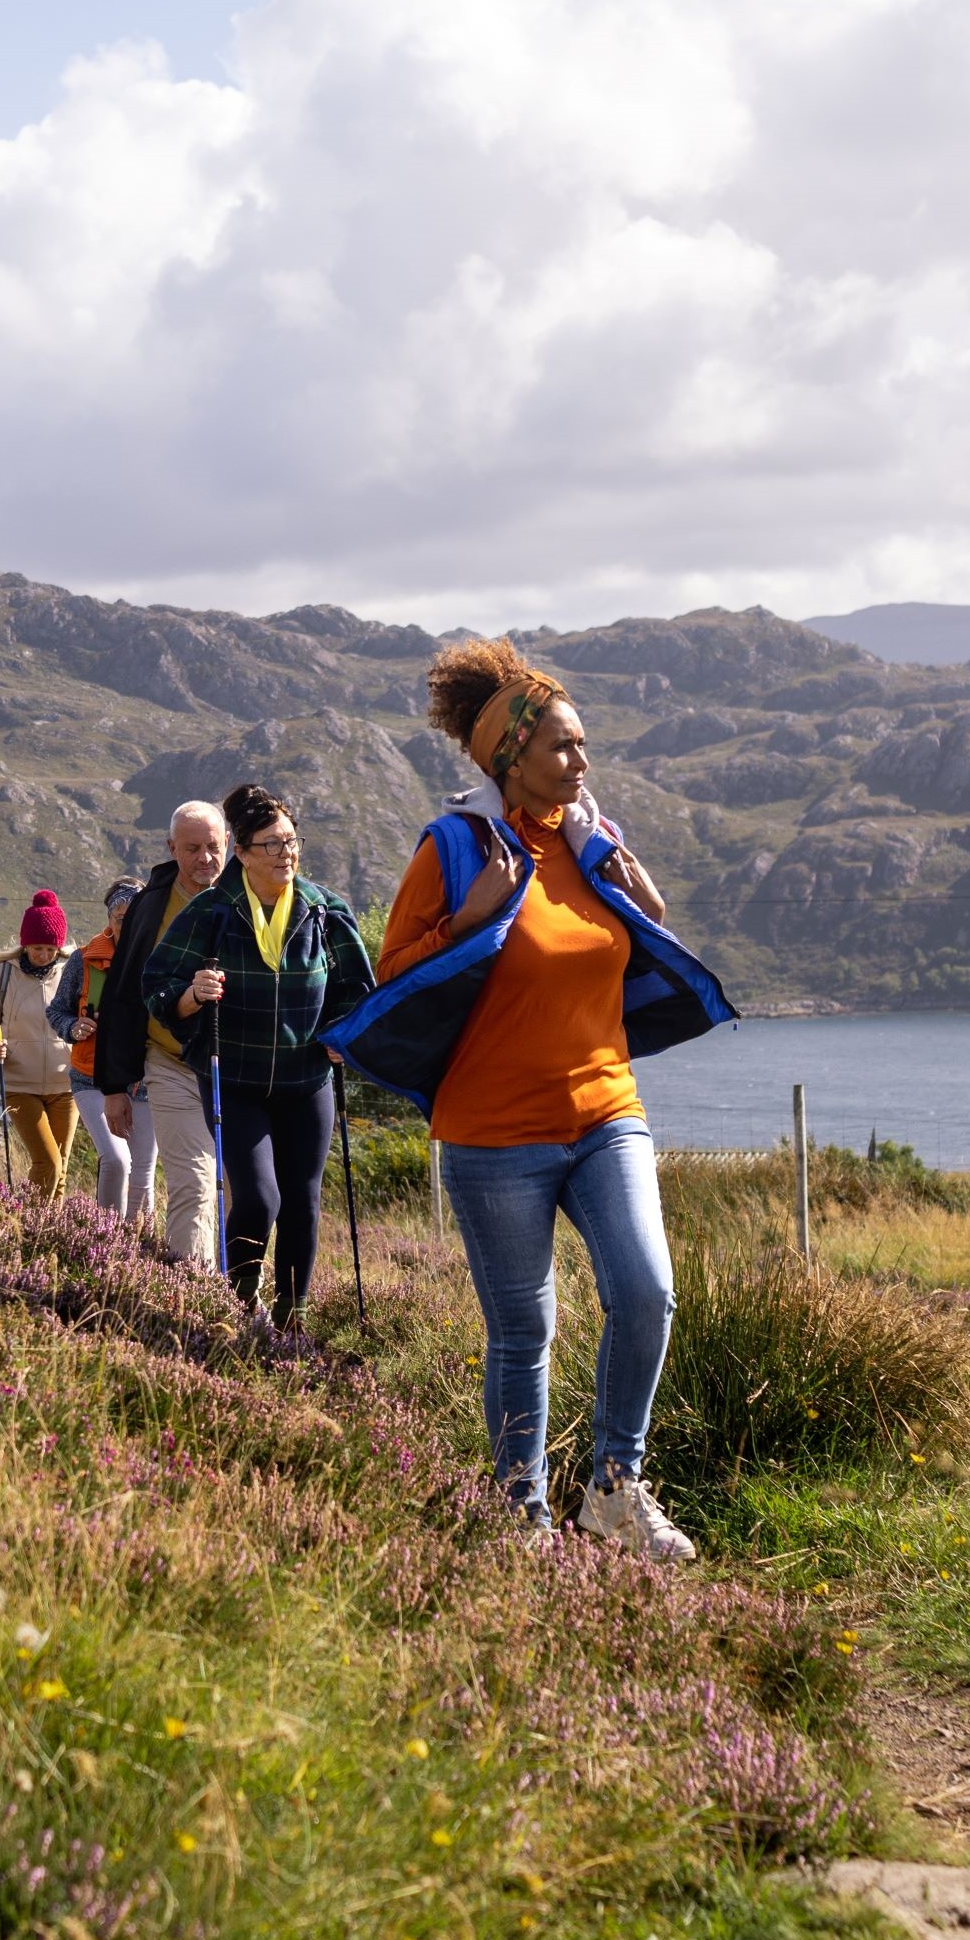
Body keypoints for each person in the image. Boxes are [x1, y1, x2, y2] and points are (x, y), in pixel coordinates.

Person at [328, 638, 738, 1563]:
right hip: (493, 1133)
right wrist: (470, 920)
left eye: (584, 746)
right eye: (563, 748)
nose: (582, 763)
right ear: (510, 756)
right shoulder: (453, 847)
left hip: (604, 1111)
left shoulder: (595, 839)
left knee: (648, 1294)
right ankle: (521, 1518)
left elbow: (621, 951)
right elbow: (392, 977)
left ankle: (614, 1488)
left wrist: (649, 911)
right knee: (525, 1331)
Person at [139, 783, 378, 1326]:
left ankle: (292, 1316)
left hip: (308, 1082)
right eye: (271, 844)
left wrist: (343, 1032)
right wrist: (191, 994)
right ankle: (238, 1305)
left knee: (303, 1202)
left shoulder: (325, 912)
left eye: (290, 840)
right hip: (234, 1079)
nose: (285, 853)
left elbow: (356, 989)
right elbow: (155, 984)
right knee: (259, 1199)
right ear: (242, 853)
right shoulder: (211, 913)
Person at [90, 803, 232, 1264]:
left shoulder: (250, 896)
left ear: (228, 843)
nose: (205, 858)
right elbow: (122, 991)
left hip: (238, 1067)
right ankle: (192, 1296)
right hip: (168, 1061)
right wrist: (114, 1086)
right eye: (192, 849)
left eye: (213, 847)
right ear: (172, 849)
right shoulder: (150, 905)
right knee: (192, 1181)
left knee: (243, 1189)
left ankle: (241, 1294)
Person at [0, 891, 81, 1199]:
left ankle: (49, 1238)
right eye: (37, 948)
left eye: (50, 948)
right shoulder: (3, 974)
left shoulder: (72, 972)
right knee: (47, 1163)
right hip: (20, 1085)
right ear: (25, 943)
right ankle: (26, 1226)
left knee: (61, 1169)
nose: (44, 955)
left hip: (66, 1085)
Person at [58, 876, 150, 1217]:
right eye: (119, 917)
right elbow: (57, 1010)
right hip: (90, 1078)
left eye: (134, 915)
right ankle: (106, 1240)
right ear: (109, 920)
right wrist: (72, 1026)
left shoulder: (161, 958)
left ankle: (141, 1252)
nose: (126, 924)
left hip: (143, 1082)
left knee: (142, 1174)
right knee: (115, 1160)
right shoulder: (82, 960)